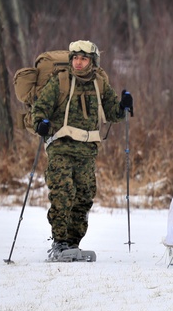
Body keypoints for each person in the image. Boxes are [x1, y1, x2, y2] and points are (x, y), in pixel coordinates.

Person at [31, 40, 131, 261]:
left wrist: (123, 106)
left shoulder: (100, 83)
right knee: (63, 192)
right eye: (75, 58)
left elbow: (112, 113)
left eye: (83, 58)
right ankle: (59, 243)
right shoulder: (60, 81)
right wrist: (41, 123)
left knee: (84, 196)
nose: (78, 62)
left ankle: (73, 243)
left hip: (87, 151)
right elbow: (39, 110)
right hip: (61, 147)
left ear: (92, 61)